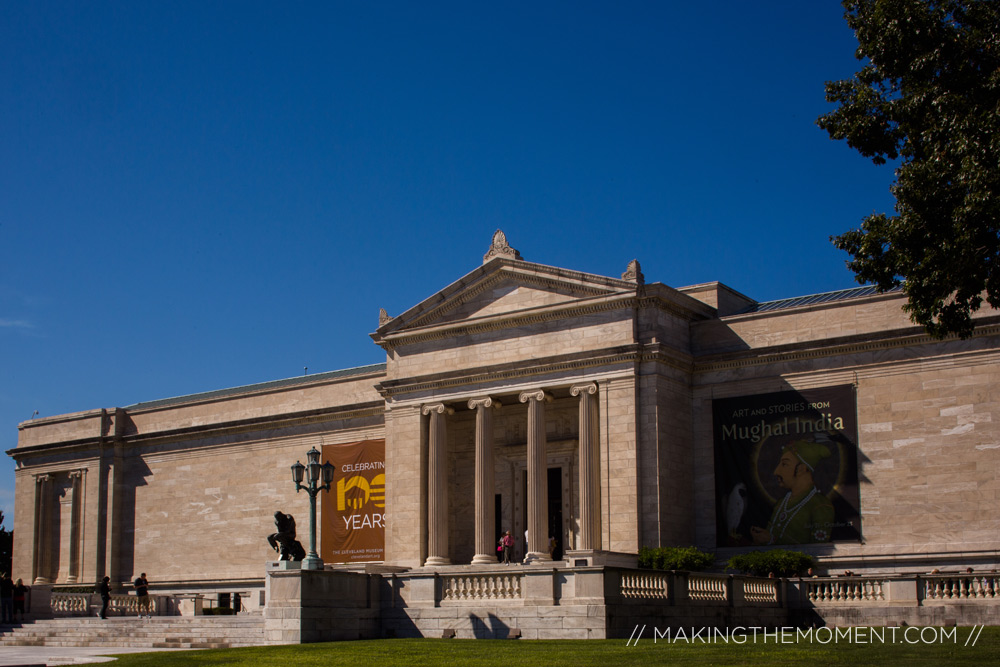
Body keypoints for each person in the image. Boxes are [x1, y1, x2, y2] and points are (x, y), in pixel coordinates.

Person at [751, 439, 835, 546]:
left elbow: (818, 550)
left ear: (801, 469)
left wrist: (772, 540)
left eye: (784, 464)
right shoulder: (781, 503)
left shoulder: (820, 506)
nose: (776, 471)